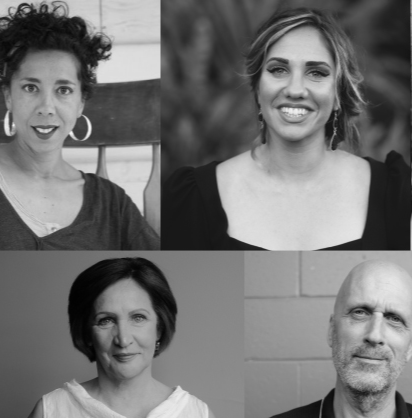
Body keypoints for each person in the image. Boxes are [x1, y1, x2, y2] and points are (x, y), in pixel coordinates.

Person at [0, 1, 158, 250]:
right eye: (31, 88)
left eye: (63, 90)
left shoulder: (112, 203)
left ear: (81, 102)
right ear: (8, 96)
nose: (46, 107)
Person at [165, 8, 410, 250]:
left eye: (316, 73)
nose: (295, 89)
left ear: (338, 94)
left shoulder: (393, 192)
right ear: (257, 87)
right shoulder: (193, 197)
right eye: (278, 70)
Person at [7, 257, 230, 418]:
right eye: (106, 320)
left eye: (138, 318)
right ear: (87, 332)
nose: (123, 339)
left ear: (159, 327)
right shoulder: (49, 416)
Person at [246, 260, 412, 418]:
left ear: (409, 347)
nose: (375, 335)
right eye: (360, 312)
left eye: (394, 318)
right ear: (332, 331)